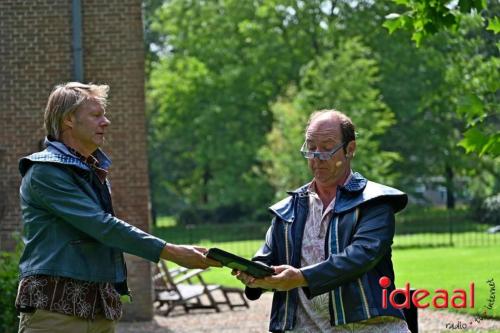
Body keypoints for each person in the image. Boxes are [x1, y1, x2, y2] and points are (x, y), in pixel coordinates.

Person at [15, 82, 219, 333]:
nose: (106, 122)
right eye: (96, 115)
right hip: (56, 312)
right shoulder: (45, 172)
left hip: (100, 309)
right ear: (69, 119)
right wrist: (174, 252)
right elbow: (102, 226)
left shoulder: (91, 169)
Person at [233, 110, 410, 332]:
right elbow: (265, 257)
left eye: (327, 148)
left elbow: (360, 256)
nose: (317, 156)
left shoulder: (375, 202)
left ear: (350, 149)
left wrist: (300, 277)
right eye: (311, 147)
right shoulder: (288, 209)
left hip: (370, 327)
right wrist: (254, 273)